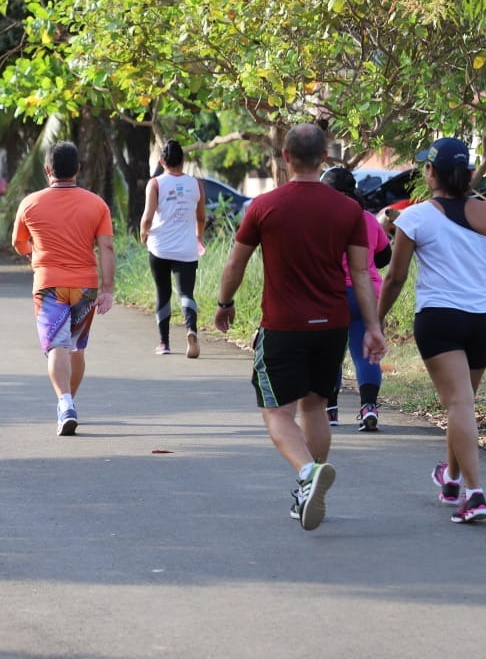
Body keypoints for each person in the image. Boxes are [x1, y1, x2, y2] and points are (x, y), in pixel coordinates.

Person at [214, 124, 386, 531]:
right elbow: (361, 275)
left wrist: (224, 304)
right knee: (315, 406)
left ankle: (308, 473)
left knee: (275, 411)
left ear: (285, 157)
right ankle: (311, 483)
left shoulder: (263, 206)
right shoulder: (349, 211)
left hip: (283, 326)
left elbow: (235, 263)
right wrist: (374, 327)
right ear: (325, 157)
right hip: (332, 326)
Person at [378, 137, 486, 524]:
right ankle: (450, 478)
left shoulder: (414, 217)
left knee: (459, 405)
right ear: (467, 173)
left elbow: (395, 278)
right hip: (482, 321)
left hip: (439, 319)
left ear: (430, 172)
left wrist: (378, 319)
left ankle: (475, 493)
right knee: (462, 403)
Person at [12, 140, 115, 436]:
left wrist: (35, 251)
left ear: (47, 170)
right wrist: (108, 289)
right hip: (85, 286)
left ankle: (65, 402)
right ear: (78, 169)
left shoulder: (30, 204)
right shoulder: (97, 204)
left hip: (48, 286)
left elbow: (18, 243)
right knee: (76, 347)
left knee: (57, 346)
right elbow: (106, 246)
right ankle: (68, 403)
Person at [319, 167, 392, 430]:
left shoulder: (321, 218)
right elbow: (385, 256)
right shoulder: (367, 219)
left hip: (333, 293)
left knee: (330, 353)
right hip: (367, 294)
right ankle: (369, 407)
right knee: (366, 354)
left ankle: (330, 410)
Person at [138, 140, 206, 358]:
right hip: (186, 249)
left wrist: (143, 233)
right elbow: (201, 218)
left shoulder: (156, 184)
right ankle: (191, 330)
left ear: (162, 161)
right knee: (186, 292)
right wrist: (198, 237)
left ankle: (164, 343)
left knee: (163, 293)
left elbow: (147, 217)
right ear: (183, 161)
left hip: (160, 248)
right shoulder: (196, 184)